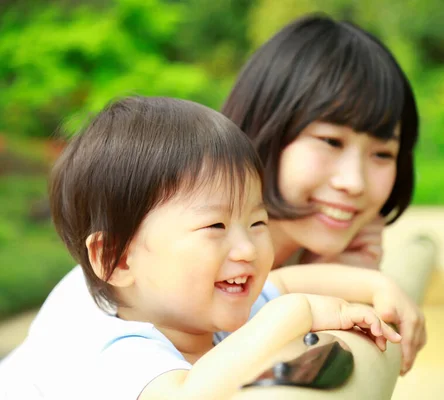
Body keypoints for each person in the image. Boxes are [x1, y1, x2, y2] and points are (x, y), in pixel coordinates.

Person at [0, 96, 412, 399]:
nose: (248, 249)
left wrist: (375, 287)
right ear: (118, 258)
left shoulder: (197, 307)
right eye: (215, 225)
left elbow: (286, 281)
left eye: (257, 222)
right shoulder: (112, 348)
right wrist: (296, 314)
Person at [221, 14, 419, 272]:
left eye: (382, 154)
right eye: (331, 141)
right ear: (264, 126)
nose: (354, 182)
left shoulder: (340, 262)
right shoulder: (179, 251)